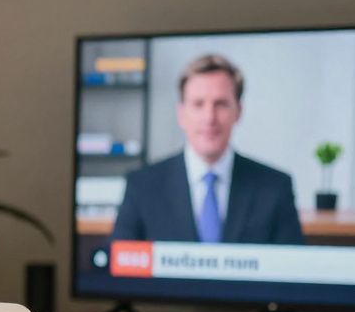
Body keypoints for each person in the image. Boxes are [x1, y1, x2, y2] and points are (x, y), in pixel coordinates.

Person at [110, 54, 304, 245]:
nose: (209, 117)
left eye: (221, 104)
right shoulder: (142, 186)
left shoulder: (274, 187)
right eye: (198, 104)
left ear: (238, 112)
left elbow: (292, 269)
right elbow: (117, 265)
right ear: (181, 114)